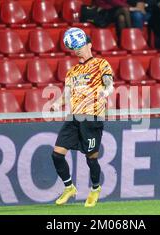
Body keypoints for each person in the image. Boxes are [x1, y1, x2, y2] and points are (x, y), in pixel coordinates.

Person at [50, 28, 114, 207]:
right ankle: (69, 187)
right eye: (75, 47)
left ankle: (95, 188)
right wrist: (57, 103)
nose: (79, 49)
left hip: (92, 117)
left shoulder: (102, 64)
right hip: (74, 118)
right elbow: (67, 94)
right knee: (57, 154)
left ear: (90, 45)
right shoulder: (72, 72)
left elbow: (110, 85)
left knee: (91, 158)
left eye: (82, 45)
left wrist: (105, 91)